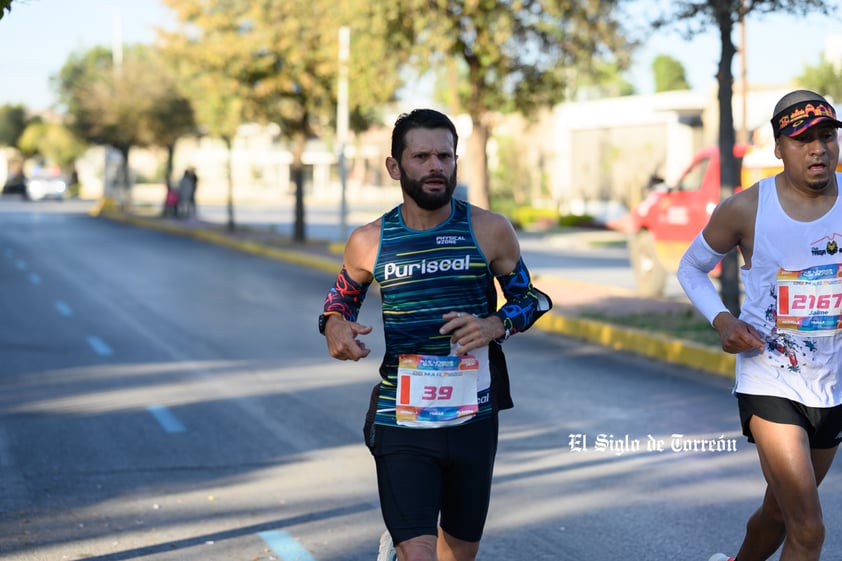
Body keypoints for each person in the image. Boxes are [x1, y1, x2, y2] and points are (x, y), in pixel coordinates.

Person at [318, 109, 551, 561]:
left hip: (472, 418)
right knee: (420, 551)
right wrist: (334, 325)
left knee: (458, 553)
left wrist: (495, 324)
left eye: (444, 156)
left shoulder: (489, 229)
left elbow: (535, 299)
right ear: (394, 167)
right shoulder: (370, 240)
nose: (435, 166)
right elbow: (339, 301)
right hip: (401, 416)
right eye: (421, 156)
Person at [677, 90, 842, 561]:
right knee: (808, 530)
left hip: (832, 385)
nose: (818, 148)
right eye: (802, 138)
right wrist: (723, 318)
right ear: (778, 148)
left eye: (826, 136)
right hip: (769, 377)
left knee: (777, 512)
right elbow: (691, 267)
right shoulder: (747, 208)